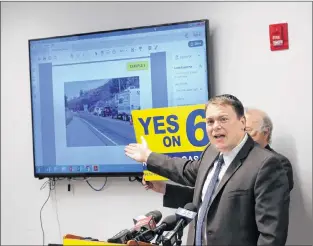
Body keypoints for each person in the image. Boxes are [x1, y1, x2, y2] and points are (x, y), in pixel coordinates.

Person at [125, 94, 290, 246]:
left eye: (223, 119)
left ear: (242, 123)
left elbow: (271, 237)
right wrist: (149, 156)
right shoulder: (211, 151)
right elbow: (185, 170)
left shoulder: (266, 164)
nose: (215, 127)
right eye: (210, 121)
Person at [142, 107, 294, 210]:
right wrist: (164, 188)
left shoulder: (277, 164)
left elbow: (237, 207)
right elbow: (207, 198)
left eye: (248, 131)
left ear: (265, 133)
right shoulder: (221, 155)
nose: (242, 137)